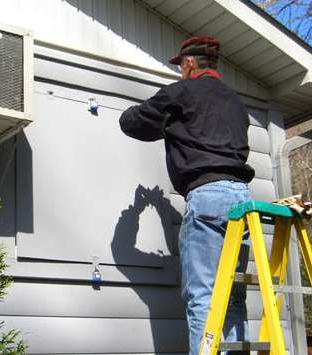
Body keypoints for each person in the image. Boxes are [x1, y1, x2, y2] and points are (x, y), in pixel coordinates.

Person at [119, 36, 255, 355]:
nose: (180, 72)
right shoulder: (236, 103)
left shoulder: (181, 92)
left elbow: (133, 122)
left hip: (207, 195)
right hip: (242, 199)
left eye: (181, 66)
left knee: (203, 297)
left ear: (190, 63)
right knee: (233, 296)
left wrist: (136, 211)